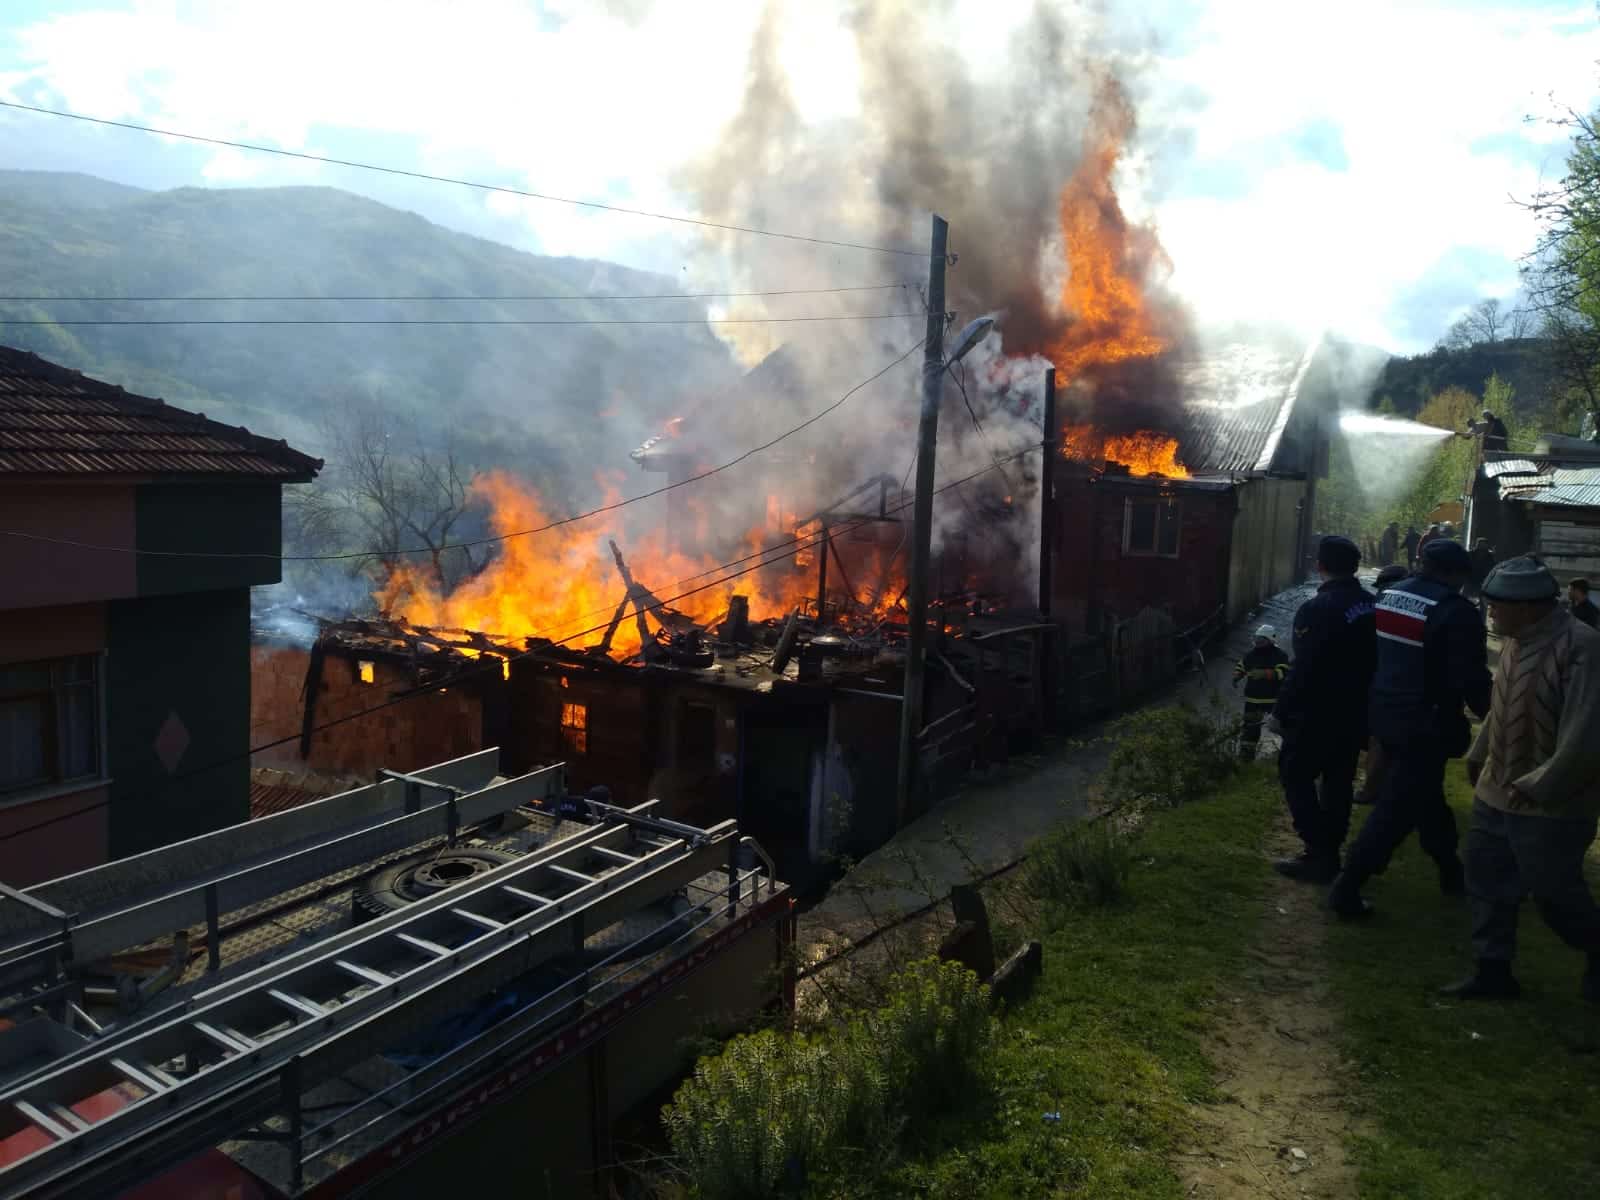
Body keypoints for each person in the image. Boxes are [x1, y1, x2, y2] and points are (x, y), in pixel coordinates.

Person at [1445, 557, 1600, 1002]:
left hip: (1552, 802)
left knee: (1555, 895)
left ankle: (1597, 949)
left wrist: (1541, 784)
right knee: (1485, 877)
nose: (1491, 614)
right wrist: (1480, 752)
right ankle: (1493, 970)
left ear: (1530, 606)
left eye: (1497, 606)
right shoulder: (1516, 639)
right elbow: (1504, 700)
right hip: (1498, 789)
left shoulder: (1583, 648)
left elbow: (1586, 731)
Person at [1329, 540, 1491, 917]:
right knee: (1396, 809)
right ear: (1454, 574)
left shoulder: (1388, 596)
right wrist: (1493, 720)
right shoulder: (1456, 612)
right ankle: (1348, 885)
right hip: (1427, 725)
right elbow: (1470, 677)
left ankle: (1451, 871)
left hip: (1385, 715)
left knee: (1426, 798)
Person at [1270, 536, 1378, 882]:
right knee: (1338, 783)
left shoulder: (1317, 609)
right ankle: (1330, 849)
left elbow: (1305, 666)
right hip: (1355, 712)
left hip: (1316, 714)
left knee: (1294, 774)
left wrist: (1280, 711)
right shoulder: (1370, 605)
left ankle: (1320, 851)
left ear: (1320, 566)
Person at [1234, 625, 1290, 762]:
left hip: (1273, 700)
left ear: (1270, 640)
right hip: (1253, 700)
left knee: (1283, 727)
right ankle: (1246, 759)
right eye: (1256, 638)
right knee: (1249, 732)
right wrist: (1237, 676)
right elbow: (1241, 665)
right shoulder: (1251, 655)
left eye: (1261, 639)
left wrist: (1265, 674)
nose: (1257, 641)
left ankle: (1288, 753)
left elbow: (1283, 673)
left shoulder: (1280, 655)